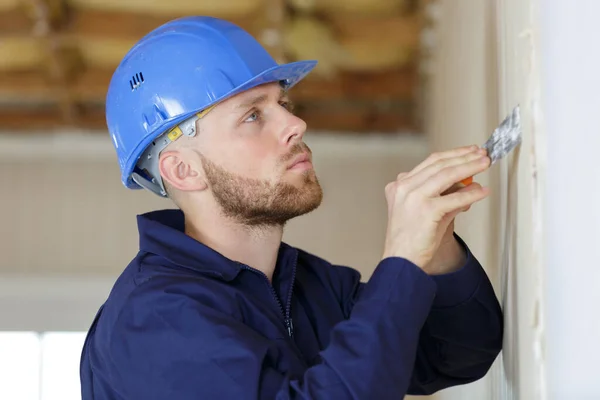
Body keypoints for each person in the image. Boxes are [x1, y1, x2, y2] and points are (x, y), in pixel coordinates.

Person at [80, 16, 503, 400]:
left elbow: (454, 354)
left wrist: (435, 242)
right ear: (184, 170)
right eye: (252, 116)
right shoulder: (157, 319)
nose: (295, 125)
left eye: (282, 105)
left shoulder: (306, 283)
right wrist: (402, 259)